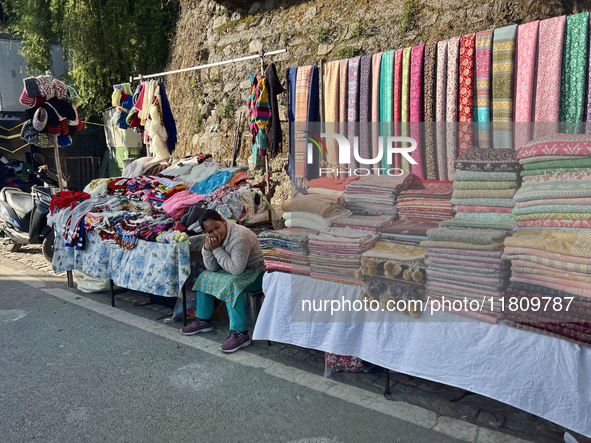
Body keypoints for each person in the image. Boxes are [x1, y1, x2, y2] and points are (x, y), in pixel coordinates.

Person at [181, 209, 264, 353]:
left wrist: (217, 249)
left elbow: (237, 270)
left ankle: (241, 333)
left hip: (257, 273)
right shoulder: (212, 239)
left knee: (232, 284)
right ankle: (203, 320)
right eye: (210, 231)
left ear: (223, 221)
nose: (215, 233)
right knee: (205, 276)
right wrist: (207, 248)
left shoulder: (239, 237)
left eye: (217, 227)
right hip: (234, 270)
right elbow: (212, 267)